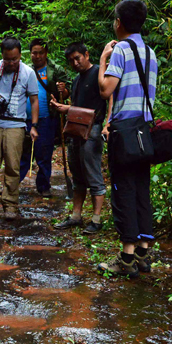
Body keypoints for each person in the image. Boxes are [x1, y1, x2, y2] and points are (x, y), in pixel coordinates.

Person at [97, 0, 158, 277]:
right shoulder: (150, 52)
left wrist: (102, 61)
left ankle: (126, 259)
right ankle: (144, 252)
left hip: (124, 131)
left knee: (124, 191)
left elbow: (106, 90)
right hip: (145, 130)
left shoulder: (121, 50)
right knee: (142, 187)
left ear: (119, 23)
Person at [0, 37, 39, 220]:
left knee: (12, 167)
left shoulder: (28, 73)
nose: (11, 63)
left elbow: (34, 101)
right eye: (7, 59)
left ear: (20, 55)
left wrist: (33, 126)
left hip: (16, 125)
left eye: (14, 59)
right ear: (2, 55)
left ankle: (10, 205)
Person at [51, 43, 111, 234]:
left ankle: (96, 219)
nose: (75, 63)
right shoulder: (77, 80)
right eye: (71, 61)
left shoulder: (99, 73)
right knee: (77, 175)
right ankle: (76, 216)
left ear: (86, 54)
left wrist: (108, 124)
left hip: (92, 130)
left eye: (78, 58)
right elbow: (76, 104)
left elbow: (110, 99)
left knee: (93, 173)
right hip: (76, 131)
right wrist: (63, 105)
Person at [19, 39, 69, 198]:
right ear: (30, 53)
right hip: (24, 119)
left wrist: (63, 90)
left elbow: (66, 94)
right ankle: (13, 184)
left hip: (47, 118)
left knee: (44, 153)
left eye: (41, 52)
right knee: (22, 153)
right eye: (34, 53)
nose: (38, 56)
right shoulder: (25, 70)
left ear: (46, 53)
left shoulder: (55, 70)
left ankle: (43, 186)